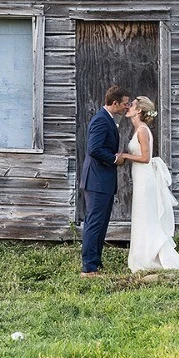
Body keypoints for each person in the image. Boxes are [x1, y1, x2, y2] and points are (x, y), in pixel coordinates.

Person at [120, 96, 179, 272]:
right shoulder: (138, 129)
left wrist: (125, 156)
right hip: (140, 177)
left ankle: (151, 256)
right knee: (142, 216)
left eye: (132, 105)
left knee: (147, 216)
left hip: (145, 179)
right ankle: (143, 255)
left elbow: (145, 157)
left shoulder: (142, 130)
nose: (128, 107)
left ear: (139, 110)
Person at [80, 84, 131, 277]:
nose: (126, 107)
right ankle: (89, 267)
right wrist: (114, 158)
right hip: (96, 181)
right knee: (94, 222)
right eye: (124, 104)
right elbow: (94, 149)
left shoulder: (108, 119)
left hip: (103, 181)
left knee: (101, 223)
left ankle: (96, 261)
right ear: (114, 102)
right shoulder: (101, 120)